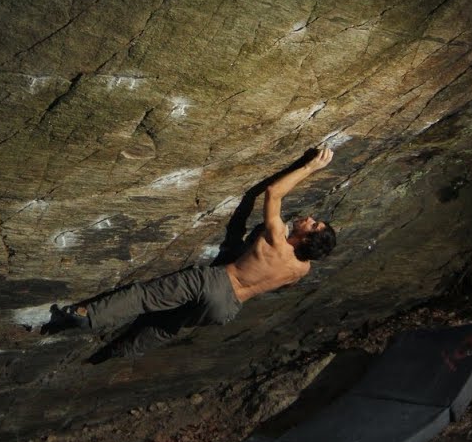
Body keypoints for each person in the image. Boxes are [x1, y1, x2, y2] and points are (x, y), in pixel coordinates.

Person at [42, 146, 338, 360]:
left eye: (312, 224)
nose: (309, 218)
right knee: (167, 325)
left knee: (144, 298)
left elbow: (273, 192)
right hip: (226, 310)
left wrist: (310, 167)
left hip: (216, 282)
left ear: (304, 240)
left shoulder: (278, 238)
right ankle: (121, 352)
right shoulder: (302, 271)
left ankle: (85, 315)